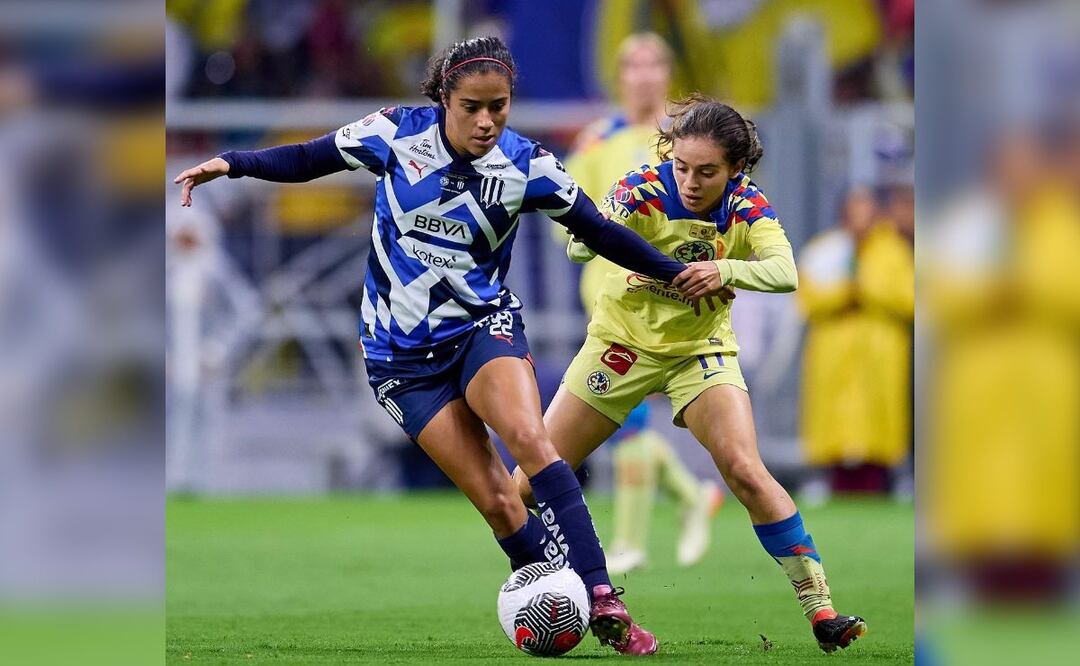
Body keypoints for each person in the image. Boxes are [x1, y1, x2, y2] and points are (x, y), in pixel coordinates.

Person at [172, 36, 688, 654]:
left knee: (530, 440)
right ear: (444, 98)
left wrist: (677, 274)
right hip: (399, 359)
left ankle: (602, 597)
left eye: (499, 107)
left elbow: (600, 231)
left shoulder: (528, 165)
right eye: (472, 107)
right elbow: (310, 158)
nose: (486, 121)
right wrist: (233, 164)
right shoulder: (394, 134)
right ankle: (559, 596)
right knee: (500, 504)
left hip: (480, 330)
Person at [514, 94, 867, 652]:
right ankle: (572, 589)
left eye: (706, 172)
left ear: (735, 169)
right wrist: (607, 223)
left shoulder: (746, 205)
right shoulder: (641, 189)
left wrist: (724, 269)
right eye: (681, 167)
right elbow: (581, 251)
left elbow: (785, 272)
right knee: (524, 487)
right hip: (619, 347)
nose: (690, 182)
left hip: (699, 353)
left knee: (745, 470)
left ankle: (821, 609)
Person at [562, 32, 722, 575]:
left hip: (672, 300)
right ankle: (686, 499)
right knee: (625, 418)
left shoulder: (687, 144)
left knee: (624, 417)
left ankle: (635, 538)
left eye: (654, 63)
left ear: (667, 73)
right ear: (620, 76)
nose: (645, 74)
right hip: (610, 301)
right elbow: (569, 213)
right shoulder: (596, 141)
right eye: (634, 64)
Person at [797, 188, 914, 497]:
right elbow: (807, 299)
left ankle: (888, 481)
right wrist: (844, 293)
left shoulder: (894, 252)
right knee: (833, 417)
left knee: (879, 417)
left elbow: (910, 298)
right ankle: (826, 480)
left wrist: (866, 289)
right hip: (833, 349)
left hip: (879, 350)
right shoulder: (825, 250)